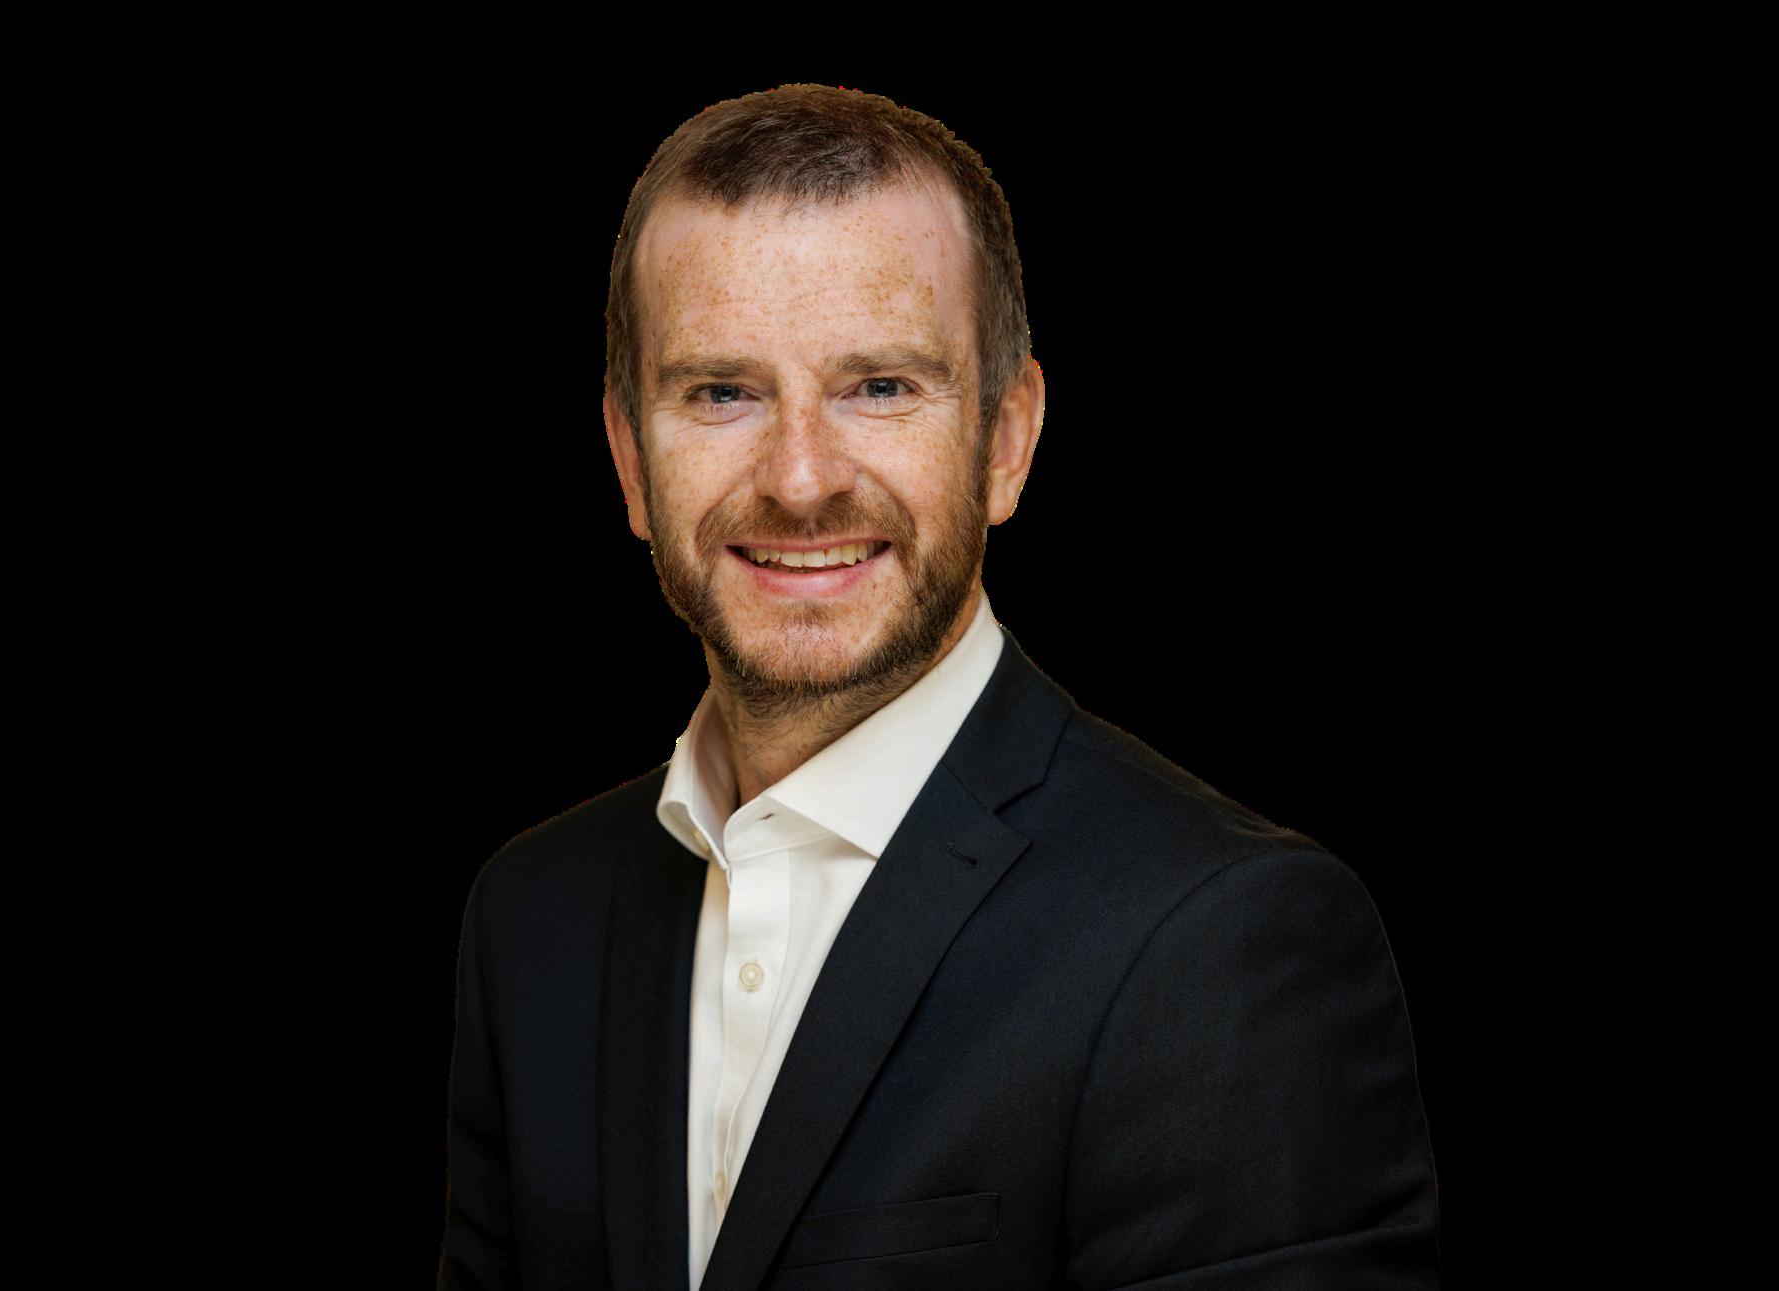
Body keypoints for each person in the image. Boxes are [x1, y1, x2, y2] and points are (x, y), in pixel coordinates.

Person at [438, 83, 1439, 1290]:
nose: (799, 478)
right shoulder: (529, 918)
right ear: (628, 460)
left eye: (879, 386)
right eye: (721, 392)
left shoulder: (1223, 944)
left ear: (1006, 441)